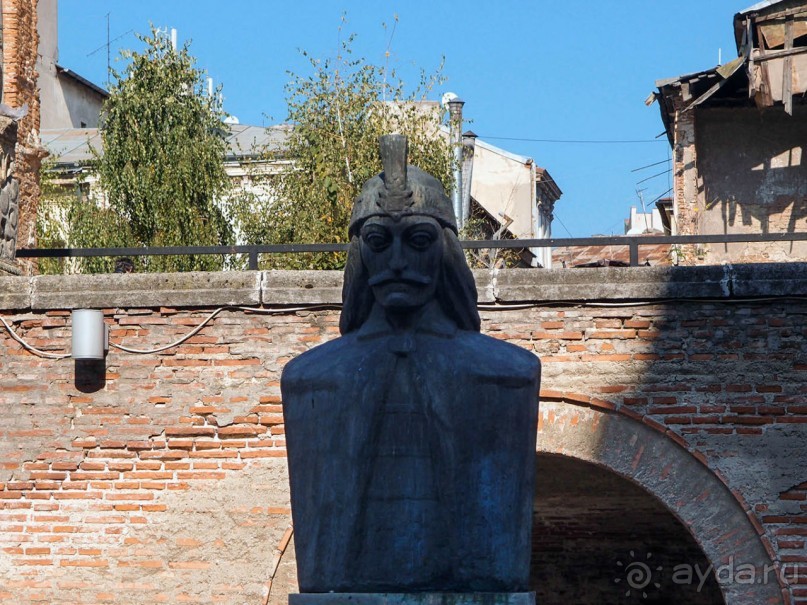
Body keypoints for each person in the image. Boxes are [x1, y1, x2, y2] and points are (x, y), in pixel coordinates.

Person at [281, 134, 540, 594]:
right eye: (379, 242)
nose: (398, 262)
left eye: (418, 240)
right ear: (361, 255)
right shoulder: (311, 380)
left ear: (444, 250)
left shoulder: (509, 375)